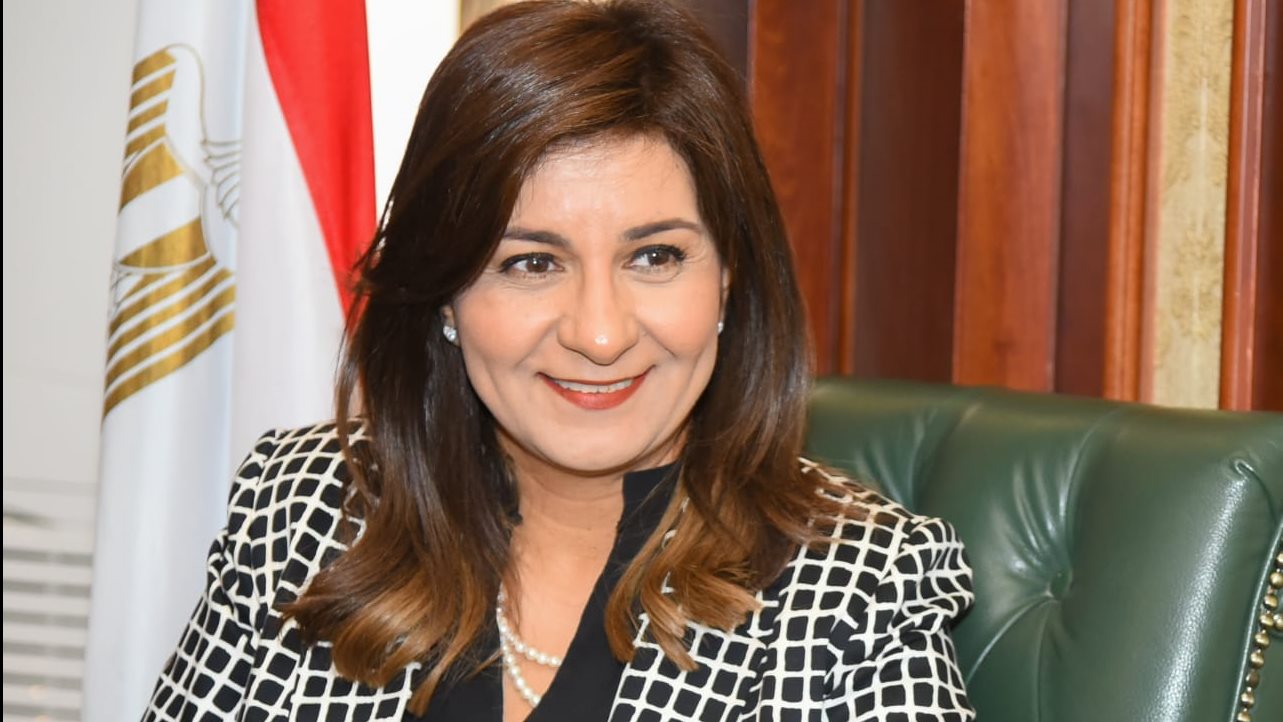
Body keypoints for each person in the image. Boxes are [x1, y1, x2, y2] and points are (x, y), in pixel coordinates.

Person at [143, 1, 975, 720]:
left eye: (654, 257)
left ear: (728, 277)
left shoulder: (855, 587)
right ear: (444, 293)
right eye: (531, 263)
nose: (599, 335)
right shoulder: (302, 512)